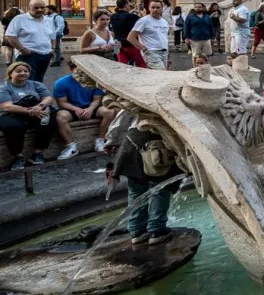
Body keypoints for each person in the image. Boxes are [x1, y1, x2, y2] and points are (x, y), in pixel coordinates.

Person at [106, 112, 178, 246]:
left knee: (136, 189)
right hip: (157, 144)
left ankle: (137, 231)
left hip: (132, 141)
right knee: (160, 188)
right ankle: (157, 230)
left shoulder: (140, 92)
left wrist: (111, 140)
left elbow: (122, 114)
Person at [0, 61, 57, 169]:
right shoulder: (4, 87)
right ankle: (18, 157)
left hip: (35, 111)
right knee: (14, 126)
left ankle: (37, 154)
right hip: (9, 114)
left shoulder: (36, 84)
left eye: (26, 71)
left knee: (48, 121)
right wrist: (31, 111)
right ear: (11, 73)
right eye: (18, 71)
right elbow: (7, 107)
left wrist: (39, 106)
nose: (23, 73)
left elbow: (48, 98)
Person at [54, 60, 116, 154]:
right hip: (71, 109)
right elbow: (62, 103)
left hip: (92, 107)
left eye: (83, 71)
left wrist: (90, 109)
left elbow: (97, 99)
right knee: (60, 116)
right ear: (71, 69)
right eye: (78, 71)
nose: (81, 74)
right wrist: (76, 109)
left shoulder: (94, 81)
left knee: (109, 111)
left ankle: (100, 140)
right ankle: (71, 147)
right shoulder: (61, 83)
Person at [4, 0, 56, 82]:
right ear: (29, 8)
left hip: (46, 54)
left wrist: (52, 49)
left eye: (42, 7)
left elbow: (53, 36)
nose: (40, 10)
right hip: (27, 55)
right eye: (36, 8)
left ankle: (36, 94)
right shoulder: (20, 19)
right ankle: (26, 95)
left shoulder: (49, 20)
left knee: (39, 79)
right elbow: (10, 36)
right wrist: (22, 49)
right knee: (26, 80)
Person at [128, 1, 171, 70]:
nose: (155, 9)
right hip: (151, 52)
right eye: (153, 7)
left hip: (164, 52)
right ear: (149, 8)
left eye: (158, 7)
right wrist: (143, 49)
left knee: (162, 75)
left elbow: (165, 38)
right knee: (161, 72)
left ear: (162, 8)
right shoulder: (144, 20)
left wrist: (169, 56)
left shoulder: (164, 22)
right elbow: (130, 37)